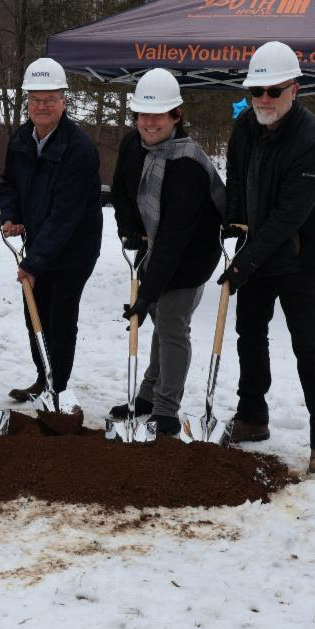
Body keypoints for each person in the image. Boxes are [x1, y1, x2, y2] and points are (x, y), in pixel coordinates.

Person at [220, 41, 315, 474]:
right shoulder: (245, 127)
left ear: (295, 89)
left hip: (302, 260)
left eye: (274, 91)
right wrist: (232, 223)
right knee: (249, 334)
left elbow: (291, 215)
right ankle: (252, 416)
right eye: (258, 91)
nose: (265, 100)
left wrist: (244, 262)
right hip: (255, 249)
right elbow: (236, 180)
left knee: (309, 345)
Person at [110, 68, 223, 436]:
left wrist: (146, 296)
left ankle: (166, 410)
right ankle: (146, 396)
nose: (149, 123)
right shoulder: (132, 145)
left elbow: (175, 239)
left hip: (191, 257)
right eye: (143, 114)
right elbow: (122, 192)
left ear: (177, 115)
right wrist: (130, 231)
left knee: (172, 323)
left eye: (158, 115)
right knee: (161, 320)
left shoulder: (187, 165)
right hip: (153, 247)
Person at [0, 58, 102, 407]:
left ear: (63, 102)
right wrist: (11, 215)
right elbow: (8, 183)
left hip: (74, 249)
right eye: (35, 100)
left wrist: (35, 262)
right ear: (27, 102)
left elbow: (65, 217)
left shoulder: (79, 149)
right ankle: (44, 377)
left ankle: (58, 388)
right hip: (38, 244)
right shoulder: (21, 140)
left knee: (59, 318)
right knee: (34, 315)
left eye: (50, 100)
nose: (42, 106)